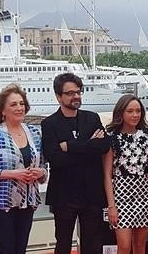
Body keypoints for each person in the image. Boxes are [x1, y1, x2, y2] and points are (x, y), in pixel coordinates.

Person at [41, 73, 110, 254]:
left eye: (78, 92)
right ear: (58, 96)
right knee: (63, 244)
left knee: (93, 244)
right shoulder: (49, 124)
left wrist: (70, 146)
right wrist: (89, 146)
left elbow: (103, 146)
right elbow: (55, 159)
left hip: (91, 194)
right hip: (64, 195)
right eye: (70, 93)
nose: (76, 96)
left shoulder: (92, 118)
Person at [0, 84, 48, 254]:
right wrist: (12, 174)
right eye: (13, 104)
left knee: (21, 247)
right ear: (3, 110)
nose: (19, 108)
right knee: (7, 248)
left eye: (22, 103)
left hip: (28, 201)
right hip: (3, 202)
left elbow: (43, 165)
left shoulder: (34, 133)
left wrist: (41, 173)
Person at [103, 94, 148, 254]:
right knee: (123, 246)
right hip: (120, 195)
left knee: (140, 247)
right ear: (121, 113)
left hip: (144, 194)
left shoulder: (147, 136)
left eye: (138, 111)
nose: (135, 115)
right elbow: (107, 174)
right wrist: (111, 206)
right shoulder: (111, 139)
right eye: (130, 111)